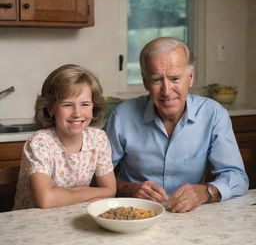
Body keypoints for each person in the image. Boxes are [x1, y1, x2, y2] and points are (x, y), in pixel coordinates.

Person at [104, 37, 249, 213]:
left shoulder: (213, 114)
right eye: (157, 79)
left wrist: (206, 192)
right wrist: (129, 189)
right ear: (145, 81)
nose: (166, 91)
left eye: (175, 78)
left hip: (190, 216)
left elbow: (238, 178)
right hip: (133, 214)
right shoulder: (122, 116)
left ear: (190, 77)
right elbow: (95, 176)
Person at [13, 64, 116, 210]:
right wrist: (86, 193)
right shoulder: (39, 144)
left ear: (94, 107)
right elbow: (45, 201)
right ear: (50, 108)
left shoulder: (98, 139)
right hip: (32, 223)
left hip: (72, 218)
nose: (77, 113)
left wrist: (64, 195)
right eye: (67, 105)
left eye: (85, 104)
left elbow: (110, 191)